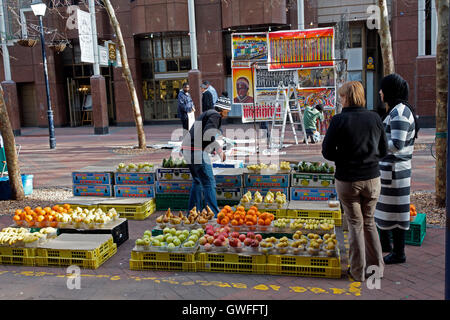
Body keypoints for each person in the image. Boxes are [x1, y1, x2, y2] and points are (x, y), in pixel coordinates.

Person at [322, 81, 388, 282]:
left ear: (347, 98)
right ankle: (377, 269)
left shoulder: (339, 120)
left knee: (355, 224)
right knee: (369, 222)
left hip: (348, 180)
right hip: (372, 179)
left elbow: (326, 152)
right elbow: (384, 150)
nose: (340, 100)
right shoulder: (375, 117)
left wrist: (344, 158)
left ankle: (358, 271)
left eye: (342, 96)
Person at [375, 73, 420, 265]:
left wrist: (375, 142)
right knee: (389, 211)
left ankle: (398, 253)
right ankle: (388, 247)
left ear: (390, 91)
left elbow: (397, 143)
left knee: (396, 212)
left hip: (395, 171)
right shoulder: (397, 110)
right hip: (393, 171)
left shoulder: (399, 113)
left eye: (382, 88)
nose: (380, 92)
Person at [181, 100, 231, 216]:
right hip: (196, 150)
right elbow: (207, 134)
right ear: (223, 110)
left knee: (197, 181)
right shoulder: (215, 115)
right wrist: (218, 150)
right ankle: (213, 213)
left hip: (187, 149)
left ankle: (192, 213)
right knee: (209, 182)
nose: (227, 113)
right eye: (227, 111)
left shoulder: (208, 113)